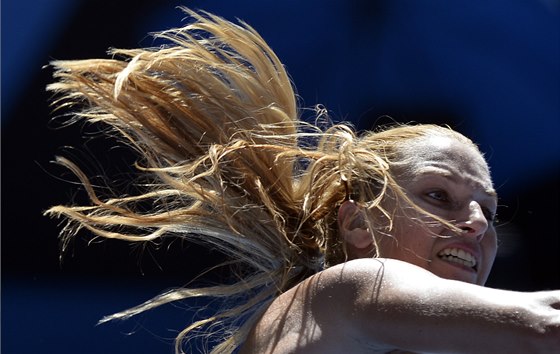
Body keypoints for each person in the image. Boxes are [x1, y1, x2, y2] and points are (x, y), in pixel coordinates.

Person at [46, 8, 559, 354]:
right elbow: (546, 323)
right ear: (359, 223)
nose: (475, 223)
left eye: (488, 210)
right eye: (438, 196)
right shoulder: (355, 285)